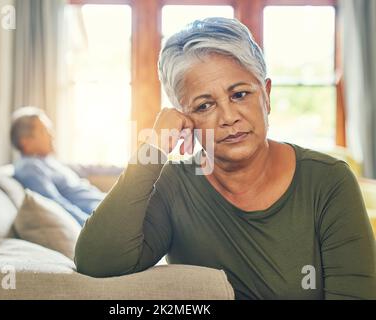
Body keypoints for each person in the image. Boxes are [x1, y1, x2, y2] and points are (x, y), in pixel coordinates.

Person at [74, 18, 376, 299]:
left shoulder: (329, 180)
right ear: (182, 117)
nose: (229, 117)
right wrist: (153, 149)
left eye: (240, 95)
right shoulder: (175, 186)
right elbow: (96, 262)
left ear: (266, 95)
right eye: (205, 105)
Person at [10, 106, 105, 226]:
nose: (52, 135)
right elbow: (57, 205)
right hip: (101, 216)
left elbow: (86, 169)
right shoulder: (29, 168)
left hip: (105, 205)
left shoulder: (48, 161)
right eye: (45, 131)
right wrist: (92, 227)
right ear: (26, 141)